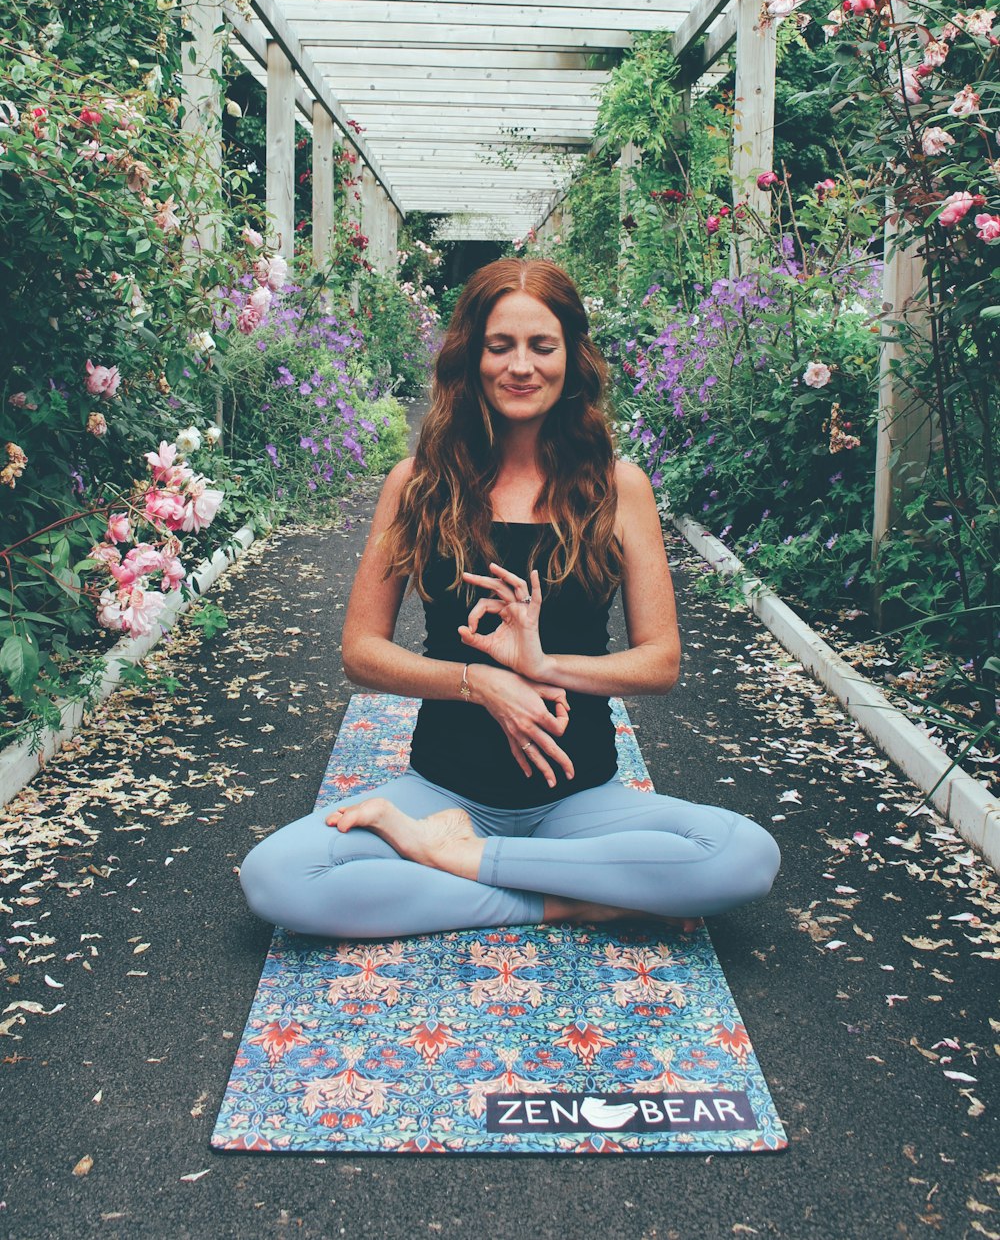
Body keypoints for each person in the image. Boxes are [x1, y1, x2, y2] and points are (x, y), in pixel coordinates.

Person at [239, 259, 779, 939]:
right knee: (277, 876)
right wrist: (480, 683)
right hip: (441, 791)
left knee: (743, 855)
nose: (521, 366)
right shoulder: (416, 483)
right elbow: (361, 652)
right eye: (501, 347)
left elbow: (661, 661)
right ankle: (568, 895)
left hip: (581, 799)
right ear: (472, 356)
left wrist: (543, 666)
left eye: (541, 346)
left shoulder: (620, 488)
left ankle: (455, 859)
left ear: (571, 357)